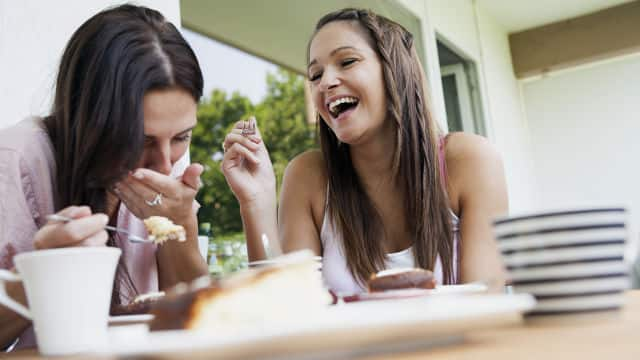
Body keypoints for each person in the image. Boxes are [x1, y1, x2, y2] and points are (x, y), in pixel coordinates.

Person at [221, 8, 508, 296]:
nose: (326, 82)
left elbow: (487, 304)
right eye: (315, 74)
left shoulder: (468, 160)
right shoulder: (308, 177)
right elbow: (288, 309)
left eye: (347, 61)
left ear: (395, 70)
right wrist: (256, 204)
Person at [0, 5, 208, 350]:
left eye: (182, 137)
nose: (163, 164)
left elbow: (196, 321)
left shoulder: (169, 164)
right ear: (92, 120)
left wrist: (180, 226)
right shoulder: (17, 160)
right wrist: (40, 276)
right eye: (140, 140)